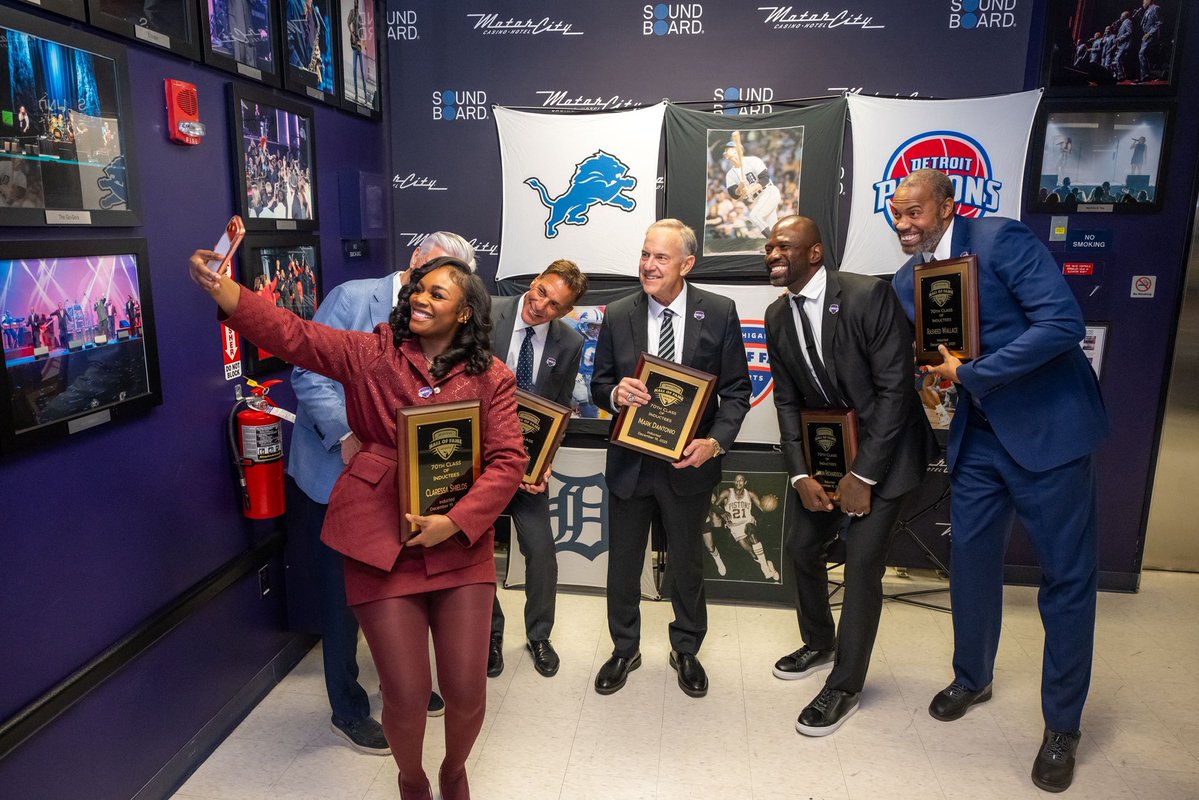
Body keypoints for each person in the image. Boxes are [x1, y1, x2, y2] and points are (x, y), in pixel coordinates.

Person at [190, 250, 525, 800]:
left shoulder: (493, 378)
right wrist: (223, 289)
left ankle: (454, 772)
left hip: (459, 547)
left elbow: (509, 460)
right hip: (380, 541)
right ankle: (412, 781)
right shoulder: (373, 353)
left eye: (437, 293)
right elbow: (294, 335)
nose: (419, 298)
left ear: (465, 312)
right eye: (418, 289)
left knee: (466, 693)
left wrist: (455, 522)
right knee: (407, 694)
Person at [889, 169, 1108, 792]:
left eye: (914, 212)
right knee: (971, 564)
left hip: (1050, 433)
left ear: (947, 207)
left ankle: (1062, 726)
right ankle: (972, 677)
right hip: (979, 438)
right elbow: (939, 356)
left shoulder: (1000, 240)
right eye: (896, 214)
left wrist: (973, 374)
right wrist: (936, 374)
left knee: (1066, 581)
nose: (904, 224)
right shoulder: (907, 282)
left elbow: (1062, 325)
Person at [286, 232, 477, 756]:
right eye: (433, 272)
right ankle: (347, 708)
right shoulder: (353, 298)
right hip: (338, 467)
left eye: (450, 283)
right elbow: (308, 372)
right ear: (415, 259)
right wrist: (346, 435)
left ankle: (406, 685)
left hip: (403, 479)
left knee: (400, 586)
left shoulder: (441, 320)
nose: (436, 289)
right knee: (341, 596)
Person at [762, 215, 936, 736]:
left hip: (887, 456)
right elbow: (788, 401)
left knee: (861, 565)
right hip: (827, 458)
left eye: (783, 246)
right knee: (800, 547)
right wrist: (800, 475)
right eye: (768, 247)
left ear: (815, 253)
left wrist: (864, 475)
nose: (772, 254)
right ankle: (820, 643)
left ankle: (845, 686)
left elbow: (895, 391)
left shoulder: (866, 296)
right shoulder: (776, 315)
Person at [591, 218, 751, 698]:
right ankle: (625, 649)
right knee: (623, 564)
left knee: (687, 563)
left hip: (689, 462)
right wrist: (615, 393)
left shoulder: (718, 312)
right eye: (645, 254)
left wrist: (715, 443)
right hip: (631, 463)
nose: (648, 265)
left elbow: (737, 391)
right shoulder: (619, 313)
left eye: (661, 257)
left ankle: (686, 648)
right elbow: (600, 383)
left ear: (687, 264)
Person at [486, 260, 588, 679]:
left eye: (554, 304)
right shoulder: (486, 312)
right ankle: (489, 635)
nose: (541, 305)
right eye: (541, 291)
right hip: (478, 459)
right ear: (534, 281)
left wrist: (546, 462)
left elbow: (558, 410)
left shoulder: (570, 342)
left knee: (542, 552)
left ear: (566, 311)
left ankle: (539, 636)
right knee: (475, 552)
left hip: (528, 466)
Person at [713, 474, 779, 581]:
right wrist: (722, 512)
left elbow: (762, 508)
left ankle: (765, 570)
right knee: (753, 554)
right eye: (736, 480)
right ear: (733, 482)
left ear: (745, 482)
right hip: (735, 527)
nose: (738, 482)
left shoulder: (750, 494)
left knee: (751, 533)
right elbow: (714, 506)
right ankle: (768, 564)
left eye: (741, 480)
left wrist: (770, 501)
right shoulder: (727, 493)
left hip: (748, 522)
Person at [722, 140, 781, 236]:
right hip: (758, 199)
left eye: (727, 149)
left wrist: (749, 190)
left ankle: (773, 241)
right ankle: (780, 242)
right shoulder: (730, 174)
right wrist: (739, 188)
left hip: (769, 192)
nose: (724, 152)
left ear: (736, 151)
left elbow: (764, 179)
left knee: (754, 216)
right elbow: (734, 194)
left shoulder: (753, 160)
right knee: (773, 229)